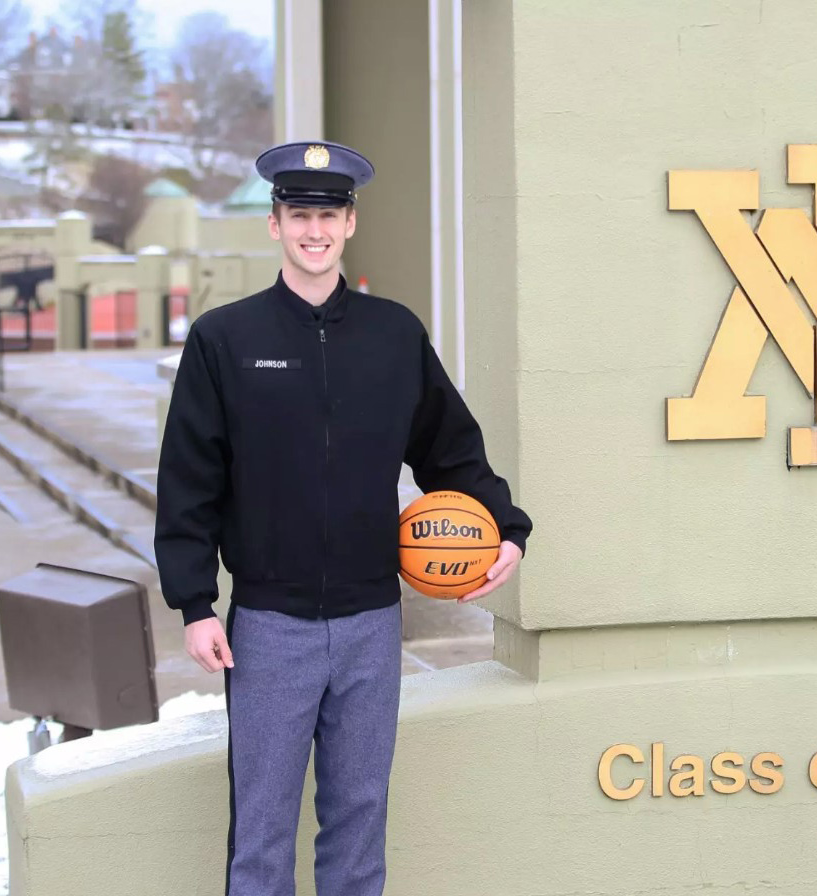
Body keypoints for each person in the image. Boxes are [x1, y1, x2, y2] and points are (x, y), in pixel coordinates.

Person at [153, 139, 532, 896]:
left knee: (358, 819)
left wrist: (507, 527)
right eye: (299, 215)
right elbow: (189, 480)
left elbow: (449, 449)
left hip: (370, 621)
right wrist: (195, 602)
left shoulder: (393, 335)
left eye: (327, 214)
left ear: (350, 223)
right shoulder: (224, 340)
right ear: (274, 225)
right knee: (260, 831)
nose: (313, 230)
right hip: (268, 625)